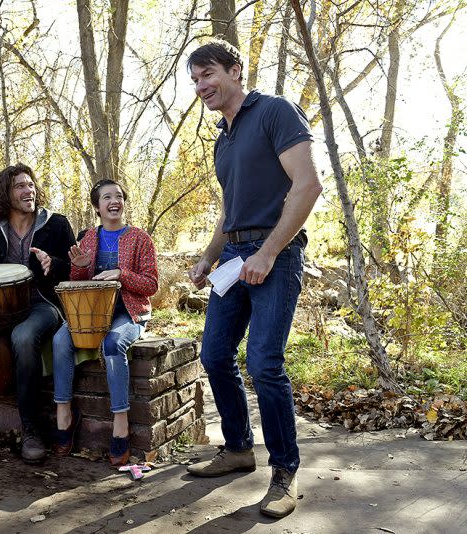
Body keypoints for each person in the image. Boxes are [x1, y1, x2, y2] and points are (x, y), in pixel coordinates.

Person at [185, 40, 322, 518]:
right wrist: (208, 257)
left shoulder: (275, 112)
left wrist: (267, 252)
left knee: (264, 362)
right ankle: (239, 447)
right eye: (196, 80)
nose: (202, 86)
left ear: (235, 70)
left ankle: (284, 472)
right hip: (235, 255)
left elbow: (307, 185)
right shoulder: (223, 139)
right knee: (214, 354)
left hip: (275, 254)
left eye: (208, 74)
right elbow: (230, 212)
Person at [0, 163, 76, 463]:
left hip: (41, 304)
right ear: (6, 193)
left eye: (30, 185)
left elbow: (75, 269)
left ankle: (31, 429)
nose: (28, 190)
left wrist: (53, 265)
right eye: (20, 186)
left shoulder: (56, 224)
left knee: (22, 338)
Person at [51, 179, 158, 466]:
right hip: (93, 313)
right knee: (60, 340)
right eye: (107, 197)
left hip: (129, 311)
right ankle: (64, 415)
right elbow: (78, 286)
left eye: (119, 196)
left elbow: (151, 285)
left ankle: (120, 423)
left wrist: (121, 273)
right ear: (96, 207)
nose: (114, 201)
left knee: (113, 344)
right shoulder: (87, 239)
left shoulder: (139, 238)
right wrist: (82, 266)